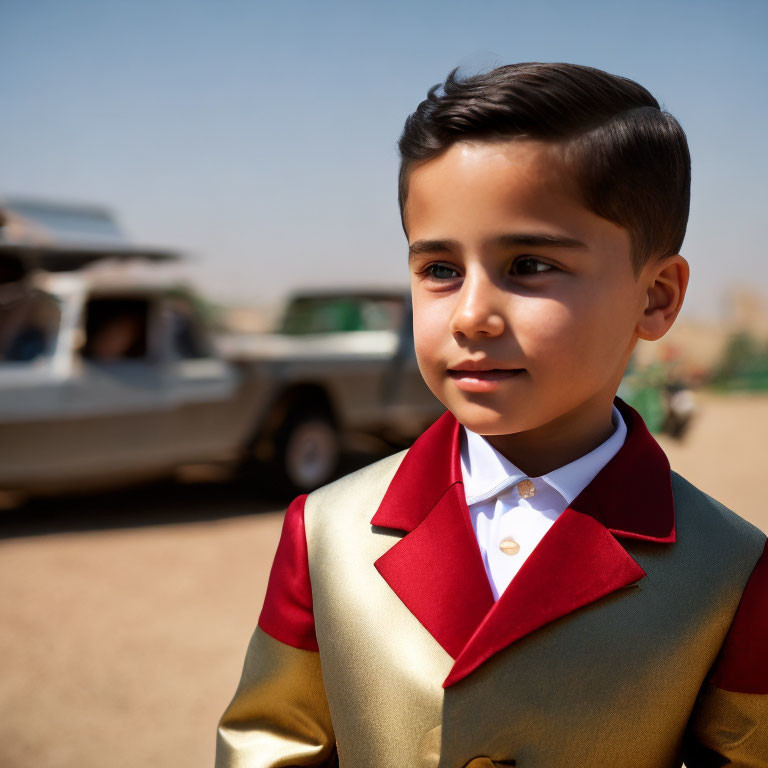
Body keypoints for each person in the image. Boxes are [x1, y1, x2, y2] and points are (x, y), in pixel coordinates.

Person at [215, 63, 768, 767]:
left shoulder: (730, 568)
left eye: (531, 264)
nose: (471, 315)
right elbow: (269, 746)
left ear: (656, 296)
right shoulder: (325, 532)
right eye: (440, 269)